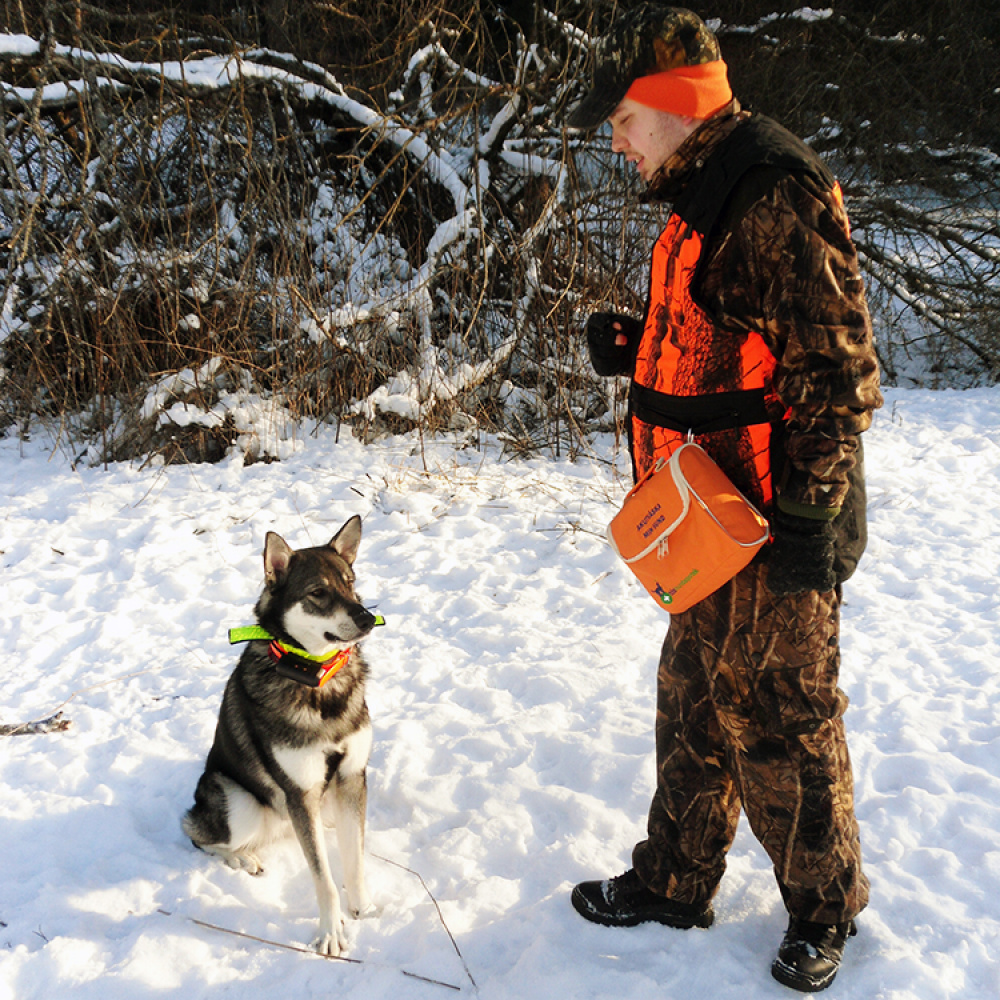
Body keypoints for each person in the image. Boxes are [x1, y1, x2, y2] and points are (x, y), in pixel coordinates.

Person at [565, 5, 883, 993]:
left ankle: (824, 909)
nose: (613, 141)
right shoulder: (701, 184)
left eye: (622, 118)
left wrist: (802, 527)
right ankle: (674, 878)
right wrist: (640, 352)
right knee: (694, 700)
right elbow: (728, 334)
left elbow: (838, 378)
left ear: (669, 103)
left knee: (782, 717)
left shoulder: (771, 188)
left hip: (776, 520)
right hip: (708, 516)